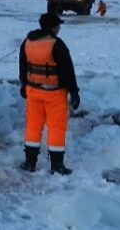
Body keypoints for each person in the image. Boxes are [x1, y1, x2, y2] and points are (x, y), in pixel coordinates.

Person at [19, 12, 80, 174]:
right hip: (54, 93)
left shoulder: (27, 42)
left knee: (33, 125)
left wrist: (23, 85)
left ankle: (30, 163)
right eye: (58, 25)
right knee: (56, 127)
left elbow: (23, 66)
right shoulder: (57, 44)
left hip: (33, 91)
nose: (59, 28)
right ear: (53, 27)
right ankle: (57, 166)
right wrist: (74, 91)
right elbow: (68, 71)